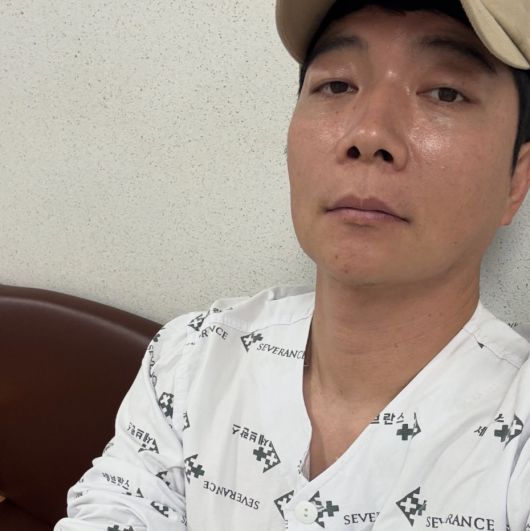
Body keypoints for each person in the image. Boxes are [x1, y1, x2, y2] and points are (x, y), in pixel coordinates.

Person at [55, 0, 530, 529]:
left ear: (516, 180)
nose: (369, 134)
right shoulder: (194, 358)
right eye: (338, 85)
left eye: (445, 92)